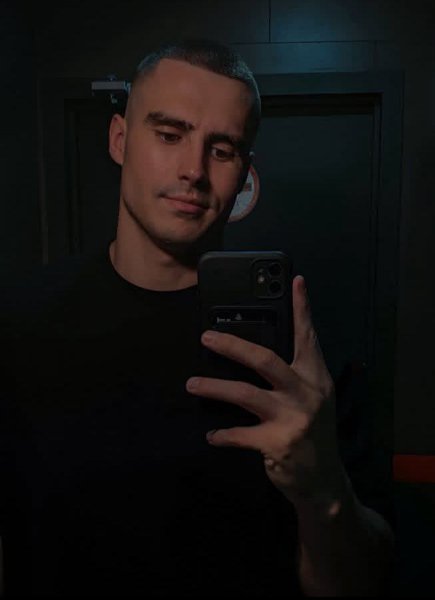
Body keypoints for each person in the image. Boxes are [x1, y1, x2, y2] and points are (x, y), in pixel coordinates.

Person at [0, 39, 394, 596]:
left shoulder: (304, 347)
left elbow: (358, 585)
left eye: (223, 149)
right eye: (169, 134)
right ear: (119, 140)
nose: (193, 170)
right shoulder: (18, 321)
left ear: (244, 172)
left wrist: (322, 486)